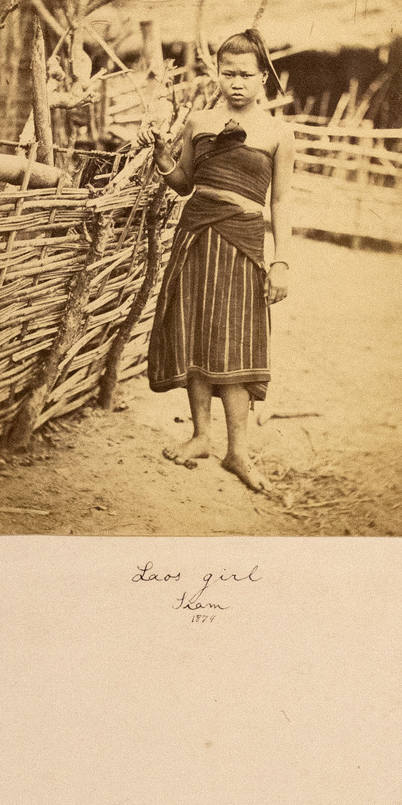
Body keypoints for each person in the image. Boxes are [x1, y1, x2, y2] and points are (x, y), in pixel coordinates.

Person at [141, 29, 292, 493]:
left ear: (263, 76)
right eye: (228, 73)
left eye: (246, 74)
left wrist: (282, 261)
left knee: (237, 342)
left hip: (243, 243)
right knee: (193, 331)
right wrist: (162, 155)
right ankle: (202, 436)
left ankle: (238, 452)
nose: (237, 83)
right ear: (218, 74)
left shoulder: (278, 132)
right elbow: (184, 183)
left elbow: (281, 202)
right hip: (196, 237)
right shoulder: (200, 122)